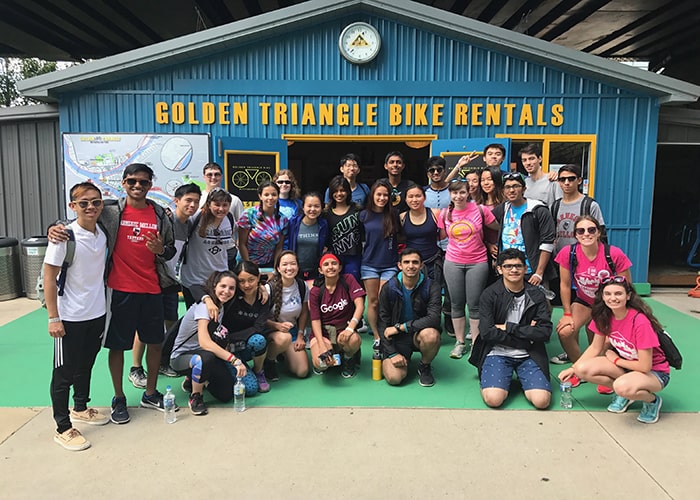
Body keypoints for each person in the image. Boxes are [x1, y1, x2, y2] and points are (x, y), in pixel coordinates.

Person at [51, 163, 177, 424]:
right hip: (120, 290)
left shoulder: (160, 214)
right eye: (132, 181)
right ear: (124, 183)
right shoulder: (110, 210)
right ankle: (119, 397)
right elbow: (81, 217)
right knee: (117, 346)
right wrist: (55, 226)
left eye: (143, 182)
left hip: (153, 289)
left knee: (155, 343)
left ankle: (150, 393)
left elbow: (170, 251)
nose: (137, 186)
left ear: (150, 184)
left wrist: (160, 251)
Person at [44, 182, 108, 451]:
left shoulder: (102, 233)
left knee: (86, 365)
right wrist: (53, 317)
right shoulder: (64, 237)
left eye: (95, 202)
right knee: (63, 372)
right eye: (83, 203)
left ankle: (80, 407)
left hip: (96, 313)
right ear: (73, 206)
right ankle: (62, 426)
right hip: (69, 316)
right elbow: (49, 276)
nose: (90, 207)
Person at [559, 276, 670, 424]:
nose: (613, 298)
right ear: (602, 296)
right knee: (582, 369)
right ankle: (625, 393)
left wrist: (616, 360)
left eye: (618, 293)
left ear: (628, 296)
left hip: (654, 373)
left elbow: (645, 366)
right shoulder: (604, 316)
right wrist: (573, 369)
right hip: (627, 366)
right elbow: (595, 347)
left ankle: (652, 401)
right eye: (608, 294)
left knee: (621, 386)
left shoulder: (640, 321)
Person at [551, 216, 632, 388]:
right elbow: (565, 285)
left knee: (603, 340)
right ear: (576, 235)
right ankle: (580, 369)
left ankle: (604, 372)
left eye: (591, 230)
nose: (586, 234)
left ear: (599, 232)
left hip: (608, 304)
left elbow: (627, 287)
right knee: (565, 331)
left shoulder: (613, 254)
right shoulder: (568, 253)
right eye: (581, 231)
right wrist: (566, 314)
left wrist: (622, 317)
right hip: (584, 301)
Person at [469, 248, 553, 409]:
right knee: (494, 400)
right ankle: (501, 380)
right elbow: (487, 332)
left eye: (518, 266)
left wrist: (509, 327)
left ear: (525, 268)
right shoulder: (490, 294)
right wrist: (527, 335)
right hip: (497, 351)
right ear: (499, 269)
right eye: (508, 266)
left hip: (529, 353)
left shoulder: (536, 295)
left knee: (542, 401)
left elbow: (545, 331)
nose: (513, 270)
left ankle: (521, 379)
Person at [170, 271, 249, 415]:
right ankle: (196, 397)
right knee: (205, 358)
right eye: (223, 286)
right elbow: (205, 342)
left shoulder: (221, 306)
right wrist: (234, 360)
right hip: (181, 358)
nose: (226, 291)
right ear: (214, 286)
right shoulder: (204, 306)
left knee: (225, 394)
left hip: (204, 353)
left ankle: (192, 379)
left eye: (231, 288)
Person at [438, 178, 499, 359]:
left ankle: (476, 344)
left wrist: (491, 244)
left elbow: (497, 227)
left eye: (462, 192)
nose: (459, 196)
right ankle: (460, 342)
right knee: (456, 304)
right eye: (455, 192)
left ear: (469, 193)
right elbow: (440, 236)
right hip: (452, 261)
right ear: (450, 194)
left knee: (475, 305)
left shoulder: (481, 210)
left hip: (477, 262)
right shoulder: (444, 214)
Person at [378, 248, 442, 387]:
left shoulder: (432, 286)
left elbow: (434, 318)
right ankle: (398, 357)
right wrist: (392, 353)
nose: (411, 266)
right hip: (397, 339)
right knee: (394, 379)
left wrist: (401, 327)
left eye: (415, 262)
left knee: (431, 335)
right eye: (406, 262)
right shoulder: (389, 288)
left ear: (421, 265)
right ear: (400, 265)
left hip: (418, 334)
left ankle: (424, 366)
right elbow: (382, 323)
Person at [400, 182, 452, 334]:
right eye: (411, 197)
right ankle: (414, 324)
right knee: (412, 294)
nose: (414, 200)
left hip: (432, 261)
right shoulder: (402, 217)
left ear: (424, 198)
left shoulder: (436, 213)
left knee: (434, 295)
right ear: (406, 199)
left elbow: (442, 235)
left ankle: (434, 323)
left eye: (418, 196)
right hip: (411, 264)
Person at [491, 172, 557, 290]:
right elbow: (482, 225)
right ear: (503, 191)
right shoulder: (502, 209)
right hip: (508, 270)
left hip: (531, 271)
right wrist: (489, 244)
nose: (512, 190)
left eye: (516, 186)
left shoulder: (538, 210)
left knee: (539, 306)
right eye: (507, 187)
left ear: (524, 189)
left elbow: (547, 243)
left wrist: (539, 273)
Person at [308, 253, 366, 378]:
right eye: (326, 264)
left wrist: (350, 328)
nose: (330, 267)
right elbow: (315, 320)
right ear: (320, 270)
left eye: (334, 263)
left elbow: (360, 305)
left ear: (339, 267)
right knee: (321, 363)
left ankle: (348, 357)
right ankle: (333, 354)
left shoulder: (348, 280)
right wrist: (322, 345)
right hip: (323, 333)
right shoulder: (315, 291)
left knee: (354, 340)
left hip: (343, 330)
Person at [360, 179, 401, 343]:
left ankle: (385, 329)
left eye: (385, 195)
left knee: (385, 300)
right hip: (369, 264)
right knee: (373, 302)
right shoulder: (363, 215)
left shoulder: (394, 214)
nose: (382, 198)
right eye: (379, 194)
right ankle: (376, 334)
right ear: (372, 195)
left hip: (389, 264)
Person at [180, 188, 235, 308]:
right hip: (194, 279)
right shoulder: (197, 217)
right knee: (195, 318)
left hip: (218, 279)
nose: (221, 209)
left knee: (216, 318)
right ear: (209, 204)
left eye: (225, 205)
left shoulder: (229, 219)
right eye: (217, 204)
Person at [263, 251, 311, 380]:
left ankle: (283, 354)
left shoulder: (302, 286)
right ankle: (269, 361)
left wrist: (301, 336)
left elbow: (304, 312)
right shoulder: (269, 288)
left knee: (302, 371)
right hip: (272, 333)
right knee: (284, 338)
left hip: (292, 332)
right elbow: (259, 318)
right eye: (284, 264)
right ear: (278, 268)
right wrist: (276, 325)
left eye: (293, 264)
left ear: (298, 266)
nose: (289, 268)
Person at [551, 164, 606, 255]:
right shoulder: (555, 205)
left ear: (579, 180)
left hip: (584, 258)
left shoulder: (589, 205)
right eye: (562, 179)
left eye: (571, 179)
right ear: (558, 182)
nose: (567, 182)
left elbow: (601, 235)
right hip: (559, 259)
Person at [199, 162, 244, 266]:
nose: (213, 177)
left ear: (222, 176)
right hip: (204, 250)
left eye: (217, 174)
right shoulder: (199, 199)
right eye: (209, 174)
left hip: (228, 250)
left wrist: (239, 248)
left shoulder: (234, 200)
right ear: (204, 177)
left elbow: (241, 226)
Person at [238, 180, 289, 268]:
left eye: (274, 194)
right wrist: (249, 267)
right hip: (247, 263)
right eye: (266, 195)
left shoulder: (283, 220)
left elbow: (279, 248)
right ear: (260, 196)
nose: (270, 198)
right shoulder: (249, 215)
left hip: (269, 264)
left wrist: (276, 269)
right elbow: (242, 243)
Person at [324, 175, 363, 283]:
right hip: (334, 258)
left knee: (353, 286)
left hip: (354, 256)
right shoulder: (326, 213)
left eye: (342, 190)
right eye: (335, 191)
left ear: (348, 191)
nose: (339, 194)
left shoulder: (357, 210)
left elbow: (363, 233)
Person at [285, 192, 328, 281]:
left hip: (315, 272)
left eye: (316, 206)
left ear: (321, 207)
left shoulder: (323, 224)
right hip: (294, 271)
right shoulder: (293, 223)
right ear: (303, 207)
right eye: (309, 206)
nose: (312, 209)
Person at [519, 143, 562, 208]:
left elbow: (560, 206)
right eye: (524, 160)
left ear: (540, 159)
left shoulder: (552, 180)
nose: (528, 163)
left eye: (531, 159)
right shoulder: (523, 183)